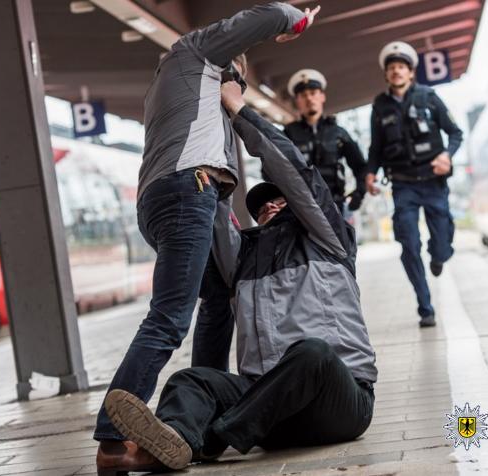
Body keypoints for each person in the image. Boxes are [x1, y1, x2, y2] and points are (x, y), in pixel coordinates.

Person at [100, 79, 377, 473]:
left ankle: (209, 439)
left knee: (312, 353)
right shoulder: (241, 260)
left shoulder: (330, 239)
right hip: (268, 414)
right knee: (191, 380)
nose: (272, 207)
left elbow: (294, 171)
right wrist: (207, 134)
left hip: (338, 401)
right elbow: (214, 204)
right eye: (263, 206)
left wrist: (240, 113)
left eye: (281, 200)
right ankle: (173, 442)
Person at [94, 3, 322, 473]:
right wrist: (294, 22)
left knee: (218, 297)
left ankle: (201, 412)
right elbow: (259, 17)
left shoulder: (173, 92)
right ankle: (112, 441)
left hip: (185, 198)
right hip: (187, 192)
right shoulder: (193, 51)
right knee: (170, 317)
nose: (234, 79)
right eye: (234, 69)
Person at [365, 41, 463, 328]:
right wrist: (370, 174)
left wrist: (447, 155)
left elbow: (455, 133)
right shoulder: (380, 106)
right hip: (404, 185)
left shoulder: (429, 97)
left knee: (442, 243)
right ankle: (425, 307)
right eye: (391, 68)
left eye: (401, 67)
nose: (396, 71)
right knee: (408, 244)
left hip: (433, 182)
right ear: (387, 75)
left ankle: (440, 253)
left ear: (410, 72)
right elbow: (376, 148)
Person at [284, 69, 367, 214]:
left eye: (313, 93)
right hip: (300, 208)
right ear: (297, 101)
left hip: (335, 206)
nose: (309, 99)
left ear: (322, 96)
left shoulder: (338, 133)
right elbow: (271, 170)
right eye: (303, 95)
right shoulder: (288, 134)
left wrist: (360, 192)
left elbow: (360, 166)